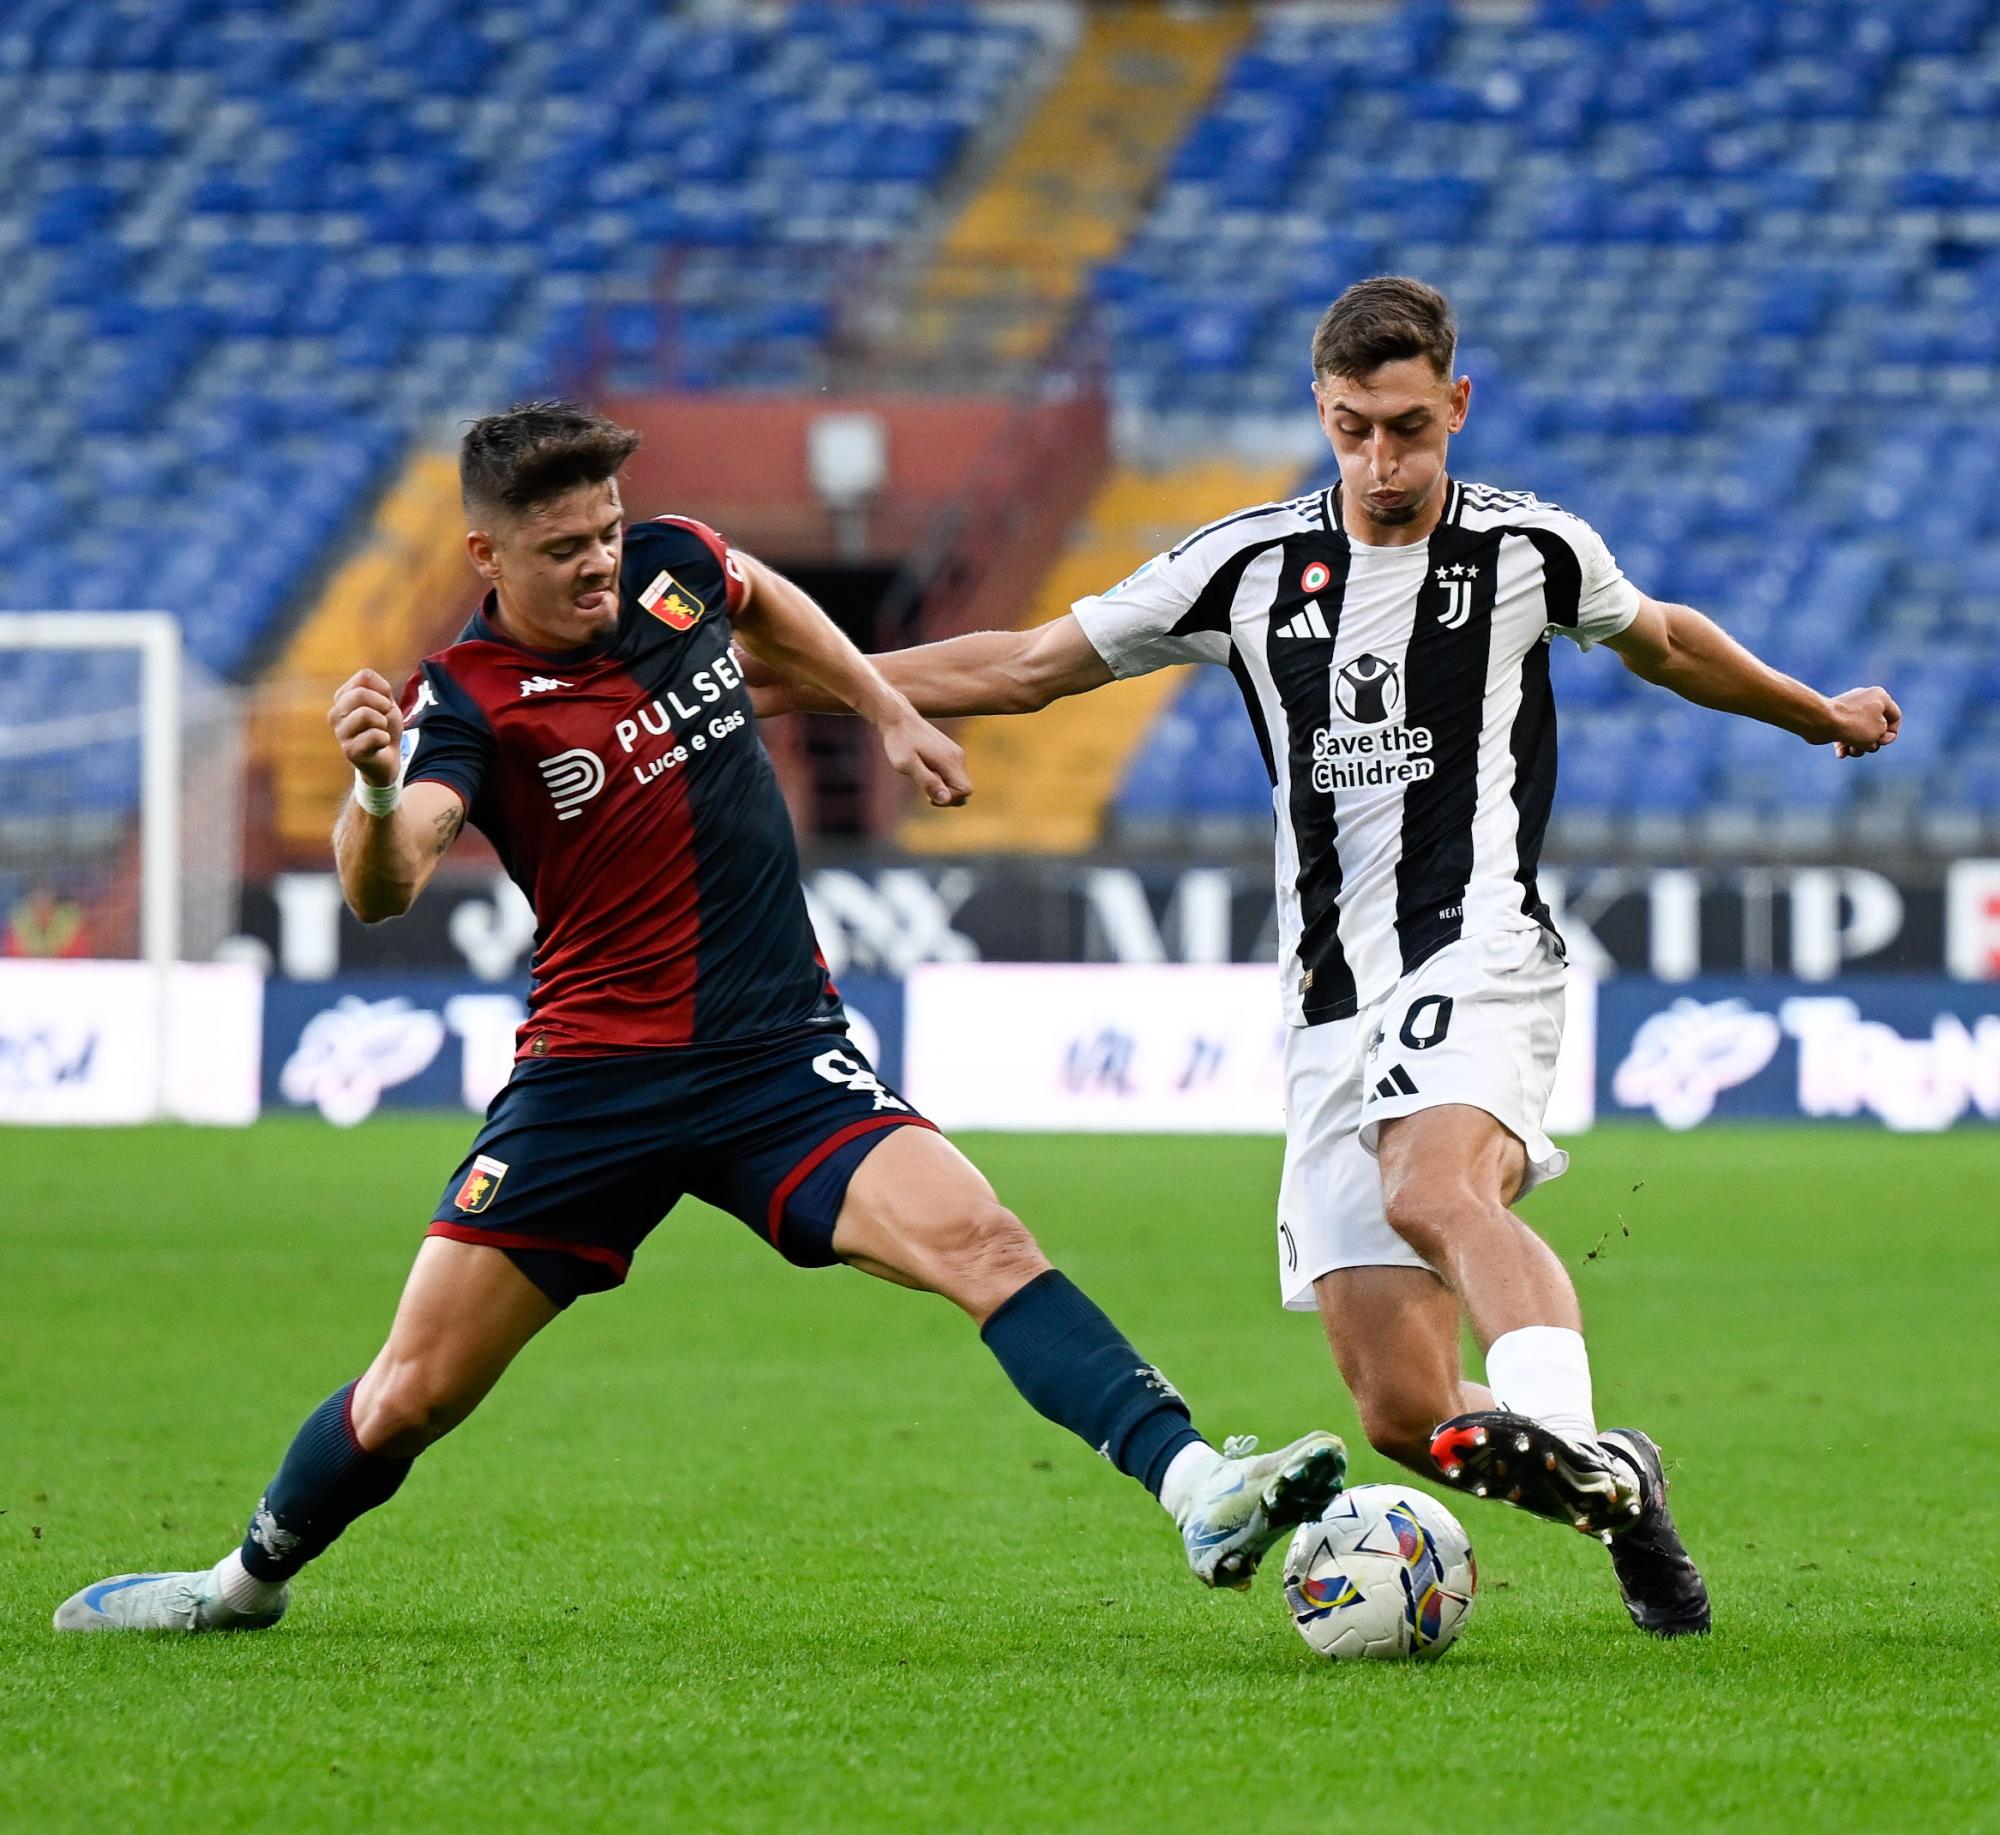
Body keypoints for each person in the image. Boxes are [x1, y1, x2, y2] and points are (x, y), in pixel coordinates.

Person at [55, 401, 1344, 1636]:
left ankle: (1196, 1490)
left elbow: (764, 599)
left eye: (607, 530)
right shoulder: (466, 702)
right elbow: (382, 887)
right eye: (564, 550)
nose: (600, 565)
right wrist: (377, 790)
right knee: (411, 1394)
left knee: (986, 1242)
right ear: (485, 555)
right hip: (592, 1086)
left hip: (780, 1058)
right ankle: (240, 1583)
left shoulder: (671, 564)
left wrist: (888, 714)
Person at [753, 278, 1903, 1638]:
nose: (1383, 461)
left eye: (1409, 429)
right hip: (1325, 1005)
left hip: (1481, 951)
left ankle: (1571, 1436)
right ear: (1322, 412)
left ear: (1457, 406)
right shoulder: (1241, 569)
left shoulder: (1531, 550)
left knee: (1435, 1186)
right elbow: (1023, 665)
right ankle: (1626, 1491)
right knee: (1405, 1413)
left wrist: (1809, 712)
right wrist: (794, 681)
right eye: (1353, 430)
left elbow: (1663, 640)